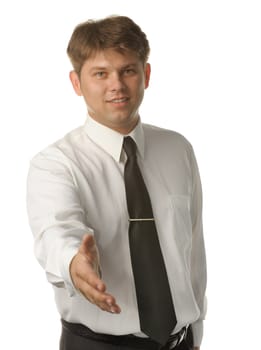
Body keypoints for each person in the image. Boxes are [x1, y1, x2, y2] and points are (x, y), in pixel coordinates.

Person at [27, 15, 207, 350]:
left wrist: (196, 329)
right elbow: (55, 232)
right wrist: (74, 264)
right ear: (76, 83)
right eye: (100, 73)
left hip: (180, 343)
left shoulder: (178, 149)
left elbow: (193, 251)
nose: (117, 85)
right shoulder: (55, 164)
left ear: (146, 75)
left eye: (128, 70)